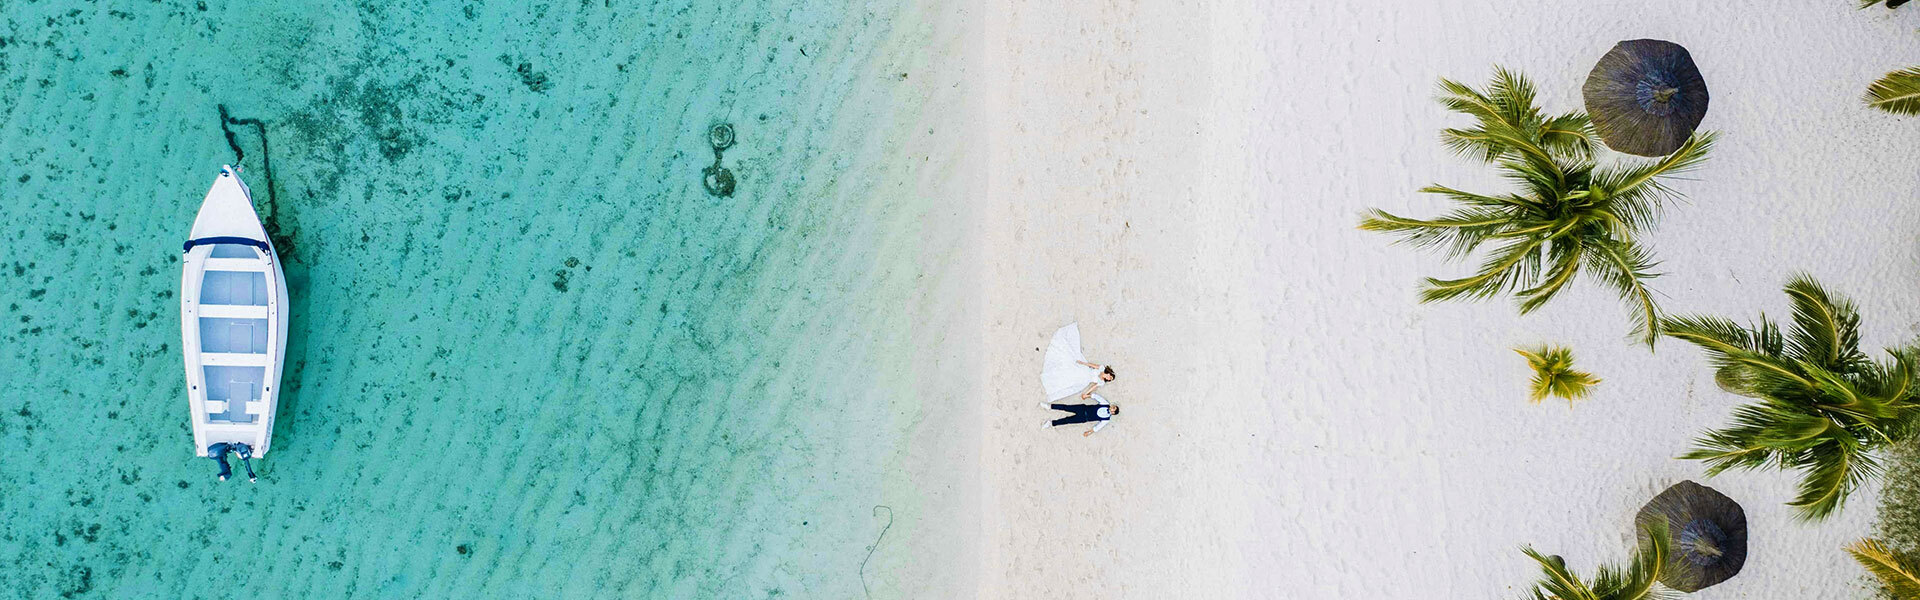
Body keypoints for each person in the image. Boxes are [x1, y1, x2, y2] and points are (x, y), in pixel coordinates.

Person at [1043, 393, 1119, 437]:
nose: (1112, 407)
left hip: (1083, 418)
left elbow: (1098, 427)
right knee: (1066, 407)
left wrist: (1089, 433)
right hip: (1083, 408)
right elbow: (1097, 397)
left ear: (1113, 413)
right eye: (1114, 406)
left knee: (1067, 420)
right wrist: (1086, 396)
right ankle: (1049, 406)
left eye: (1114, 408)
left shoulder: (1106, 419)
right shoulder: (1106, 404)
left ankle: (1051, 423)